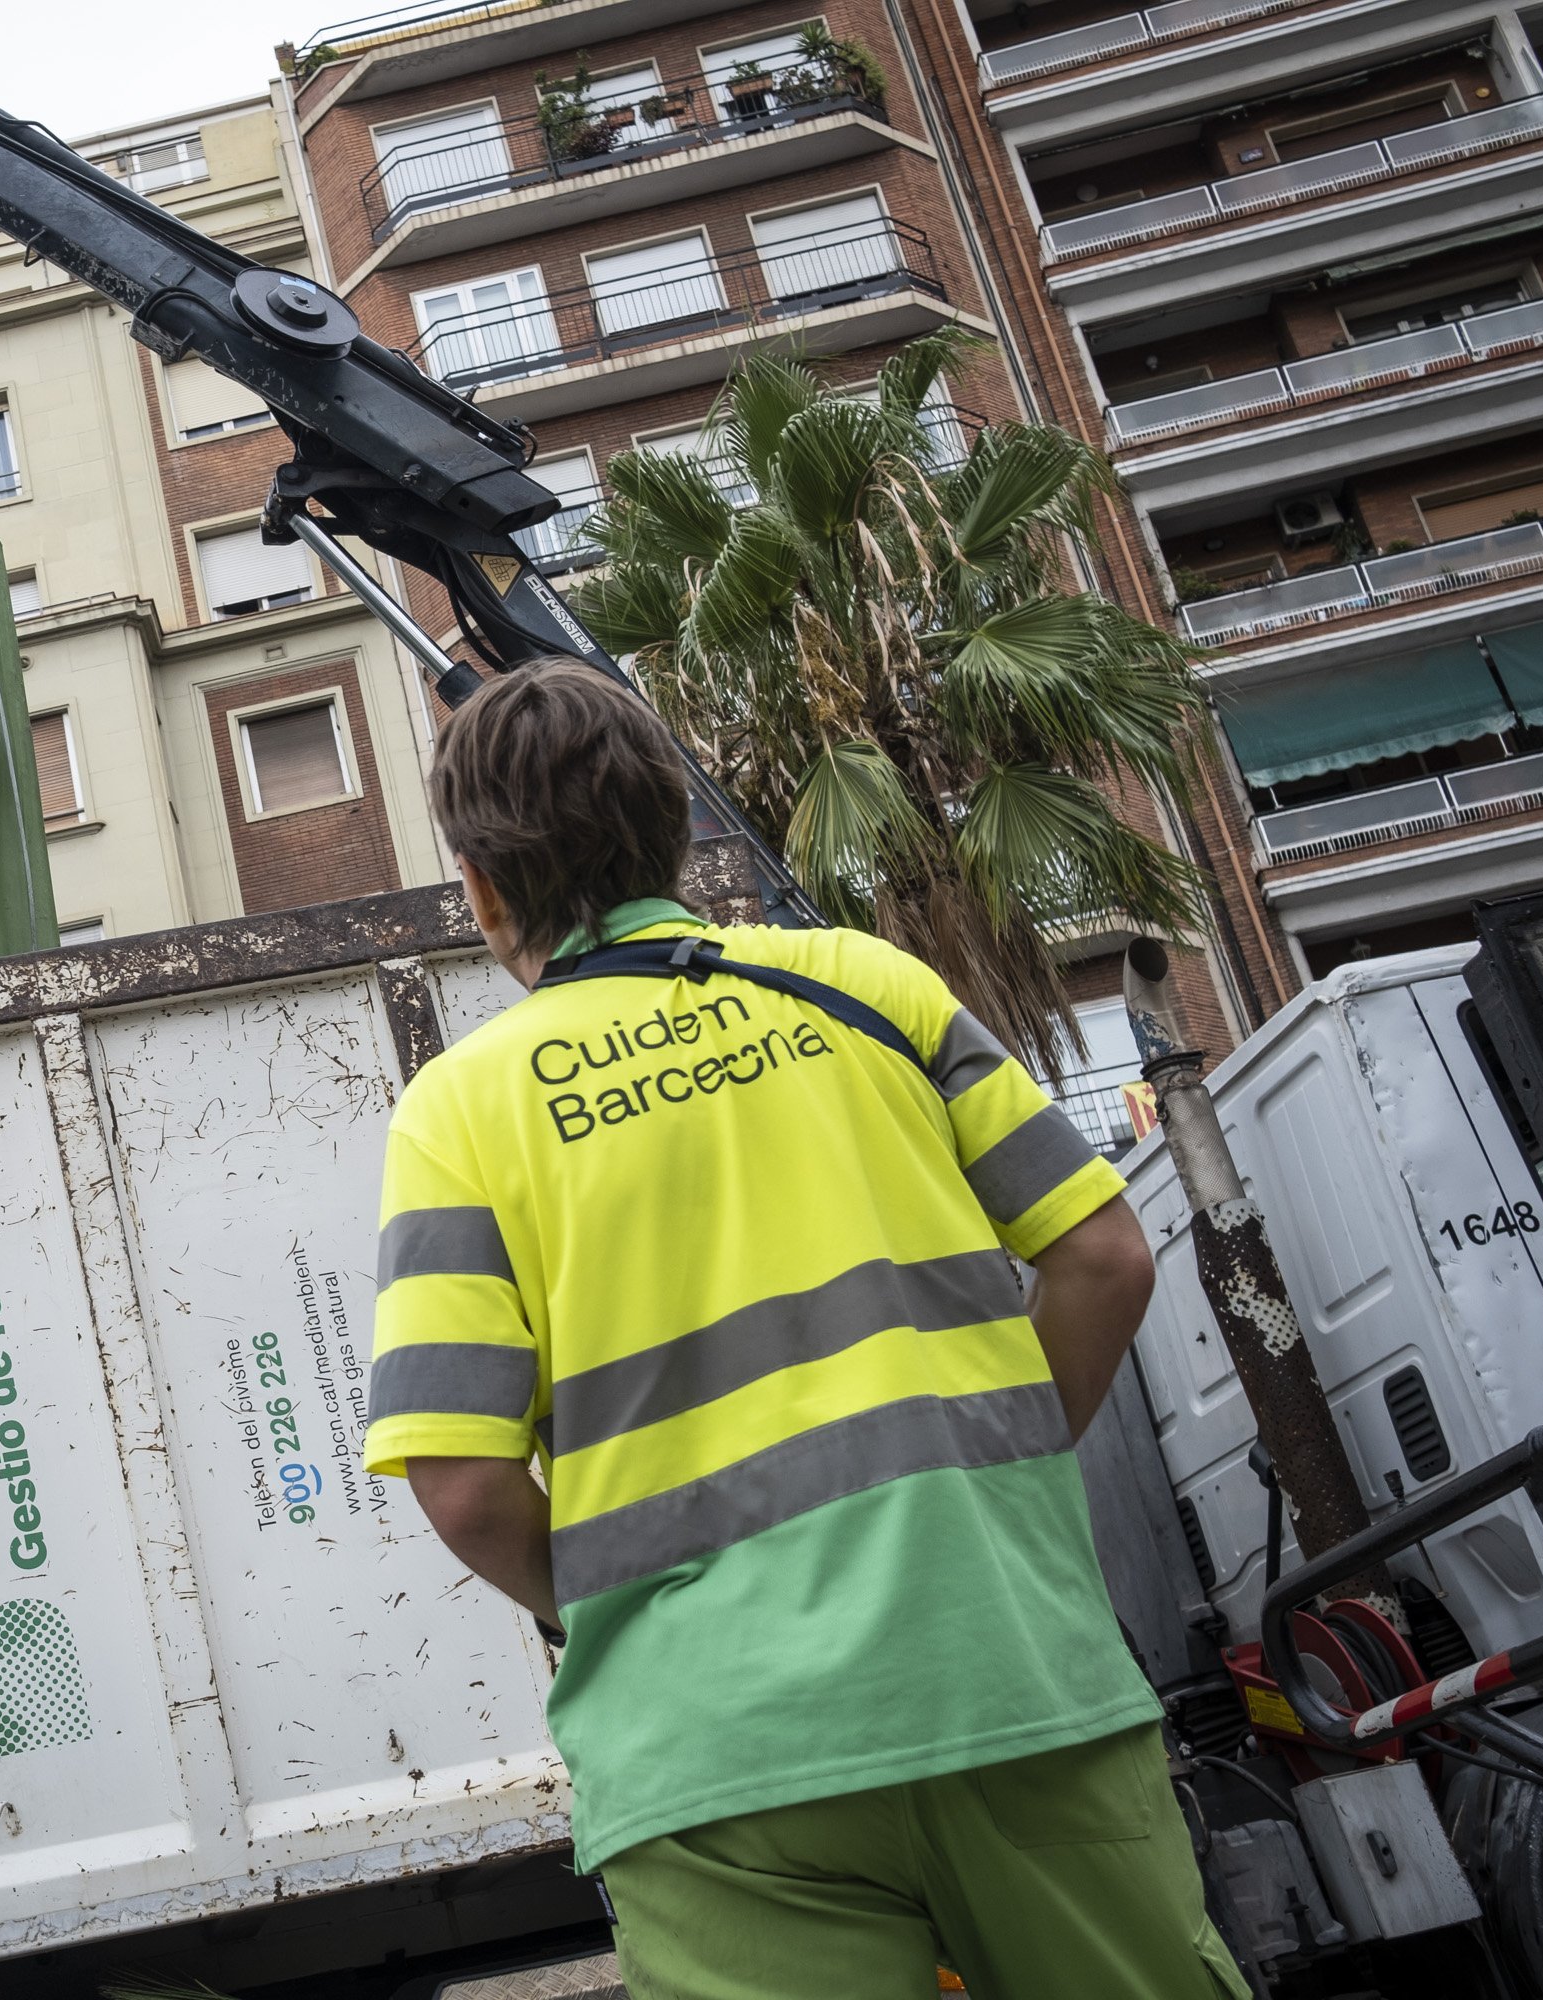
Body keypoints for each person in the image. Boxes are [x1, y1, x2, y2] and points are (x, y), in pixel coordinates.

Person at [362, 661, 1244, 1999]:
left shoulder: (460, 1110)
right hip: (1003, 1668)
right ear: (672, 836)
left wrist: (620, 1610)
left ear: (483, 891)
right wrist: (996, 1477)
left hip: (714, 1763)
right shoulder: (865, 988)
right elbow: (1106, 1257)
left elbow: (469, 1488)